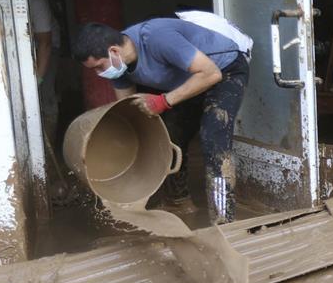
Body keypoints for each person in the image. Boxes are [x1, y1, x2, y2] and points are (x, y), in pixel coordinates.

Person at [71, 14, 251, 224]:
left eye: (98, 67)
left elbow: (210, 74)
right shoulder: (119, 68)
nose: (99, 73)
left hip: (223, 70)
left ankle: (224, 219)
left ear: (113, 51)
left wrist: (163, 102)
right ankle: (179, 201)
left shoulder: (157, 38)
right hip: (187, 80)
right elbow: (130, 112)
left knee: (213, 138)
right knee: (170, 135)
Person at [28, 0, 60, 141]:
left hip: (47, 46)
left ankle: (48, 150)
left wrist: (38, 79)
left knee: (45, 93)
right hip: (23, 48)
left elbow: (45, 43)